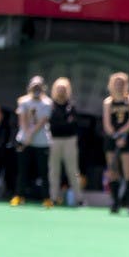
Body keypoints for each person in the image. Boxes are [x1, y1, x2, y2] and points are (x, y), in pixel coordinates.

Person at [102, 71, 129, 214]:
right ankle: (115, 202)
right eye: (116, 83)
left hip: (127, 139)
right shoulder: (108, 102)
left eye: (121, 83)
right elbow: (107, 123)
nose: (118, 86)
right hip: (112, 139)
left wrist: (123, 134)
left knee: (127, 172)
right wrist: (115, 135)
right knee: (112, 171)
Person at [12, 76, 53, 206]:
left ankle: (46, 198)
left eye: (39, 87)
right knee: (22, 170)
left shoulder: (47, 102)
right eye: (34, 87)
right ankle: (19, 196)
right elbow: (22, 119)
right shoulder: (23, 101)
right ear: (29, 87)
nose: (36, 89)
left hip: (42, 142)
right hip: (24, 141)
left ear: (43, 88)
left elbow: (43, 121)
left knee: (43, 171)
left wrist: (31, 134)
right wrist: (26, 135)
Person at [47, 77, 82, 207]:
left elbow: (74, 124)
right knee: (53, 170)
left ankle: (79, 199)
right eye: (59, 88)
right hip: (54, 140)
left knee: (73, 170)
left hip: (69, 140)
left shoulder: (71, 106)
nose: (61, 91)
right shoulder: (50, 106)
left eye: (63, 89)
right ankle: (53, 198)